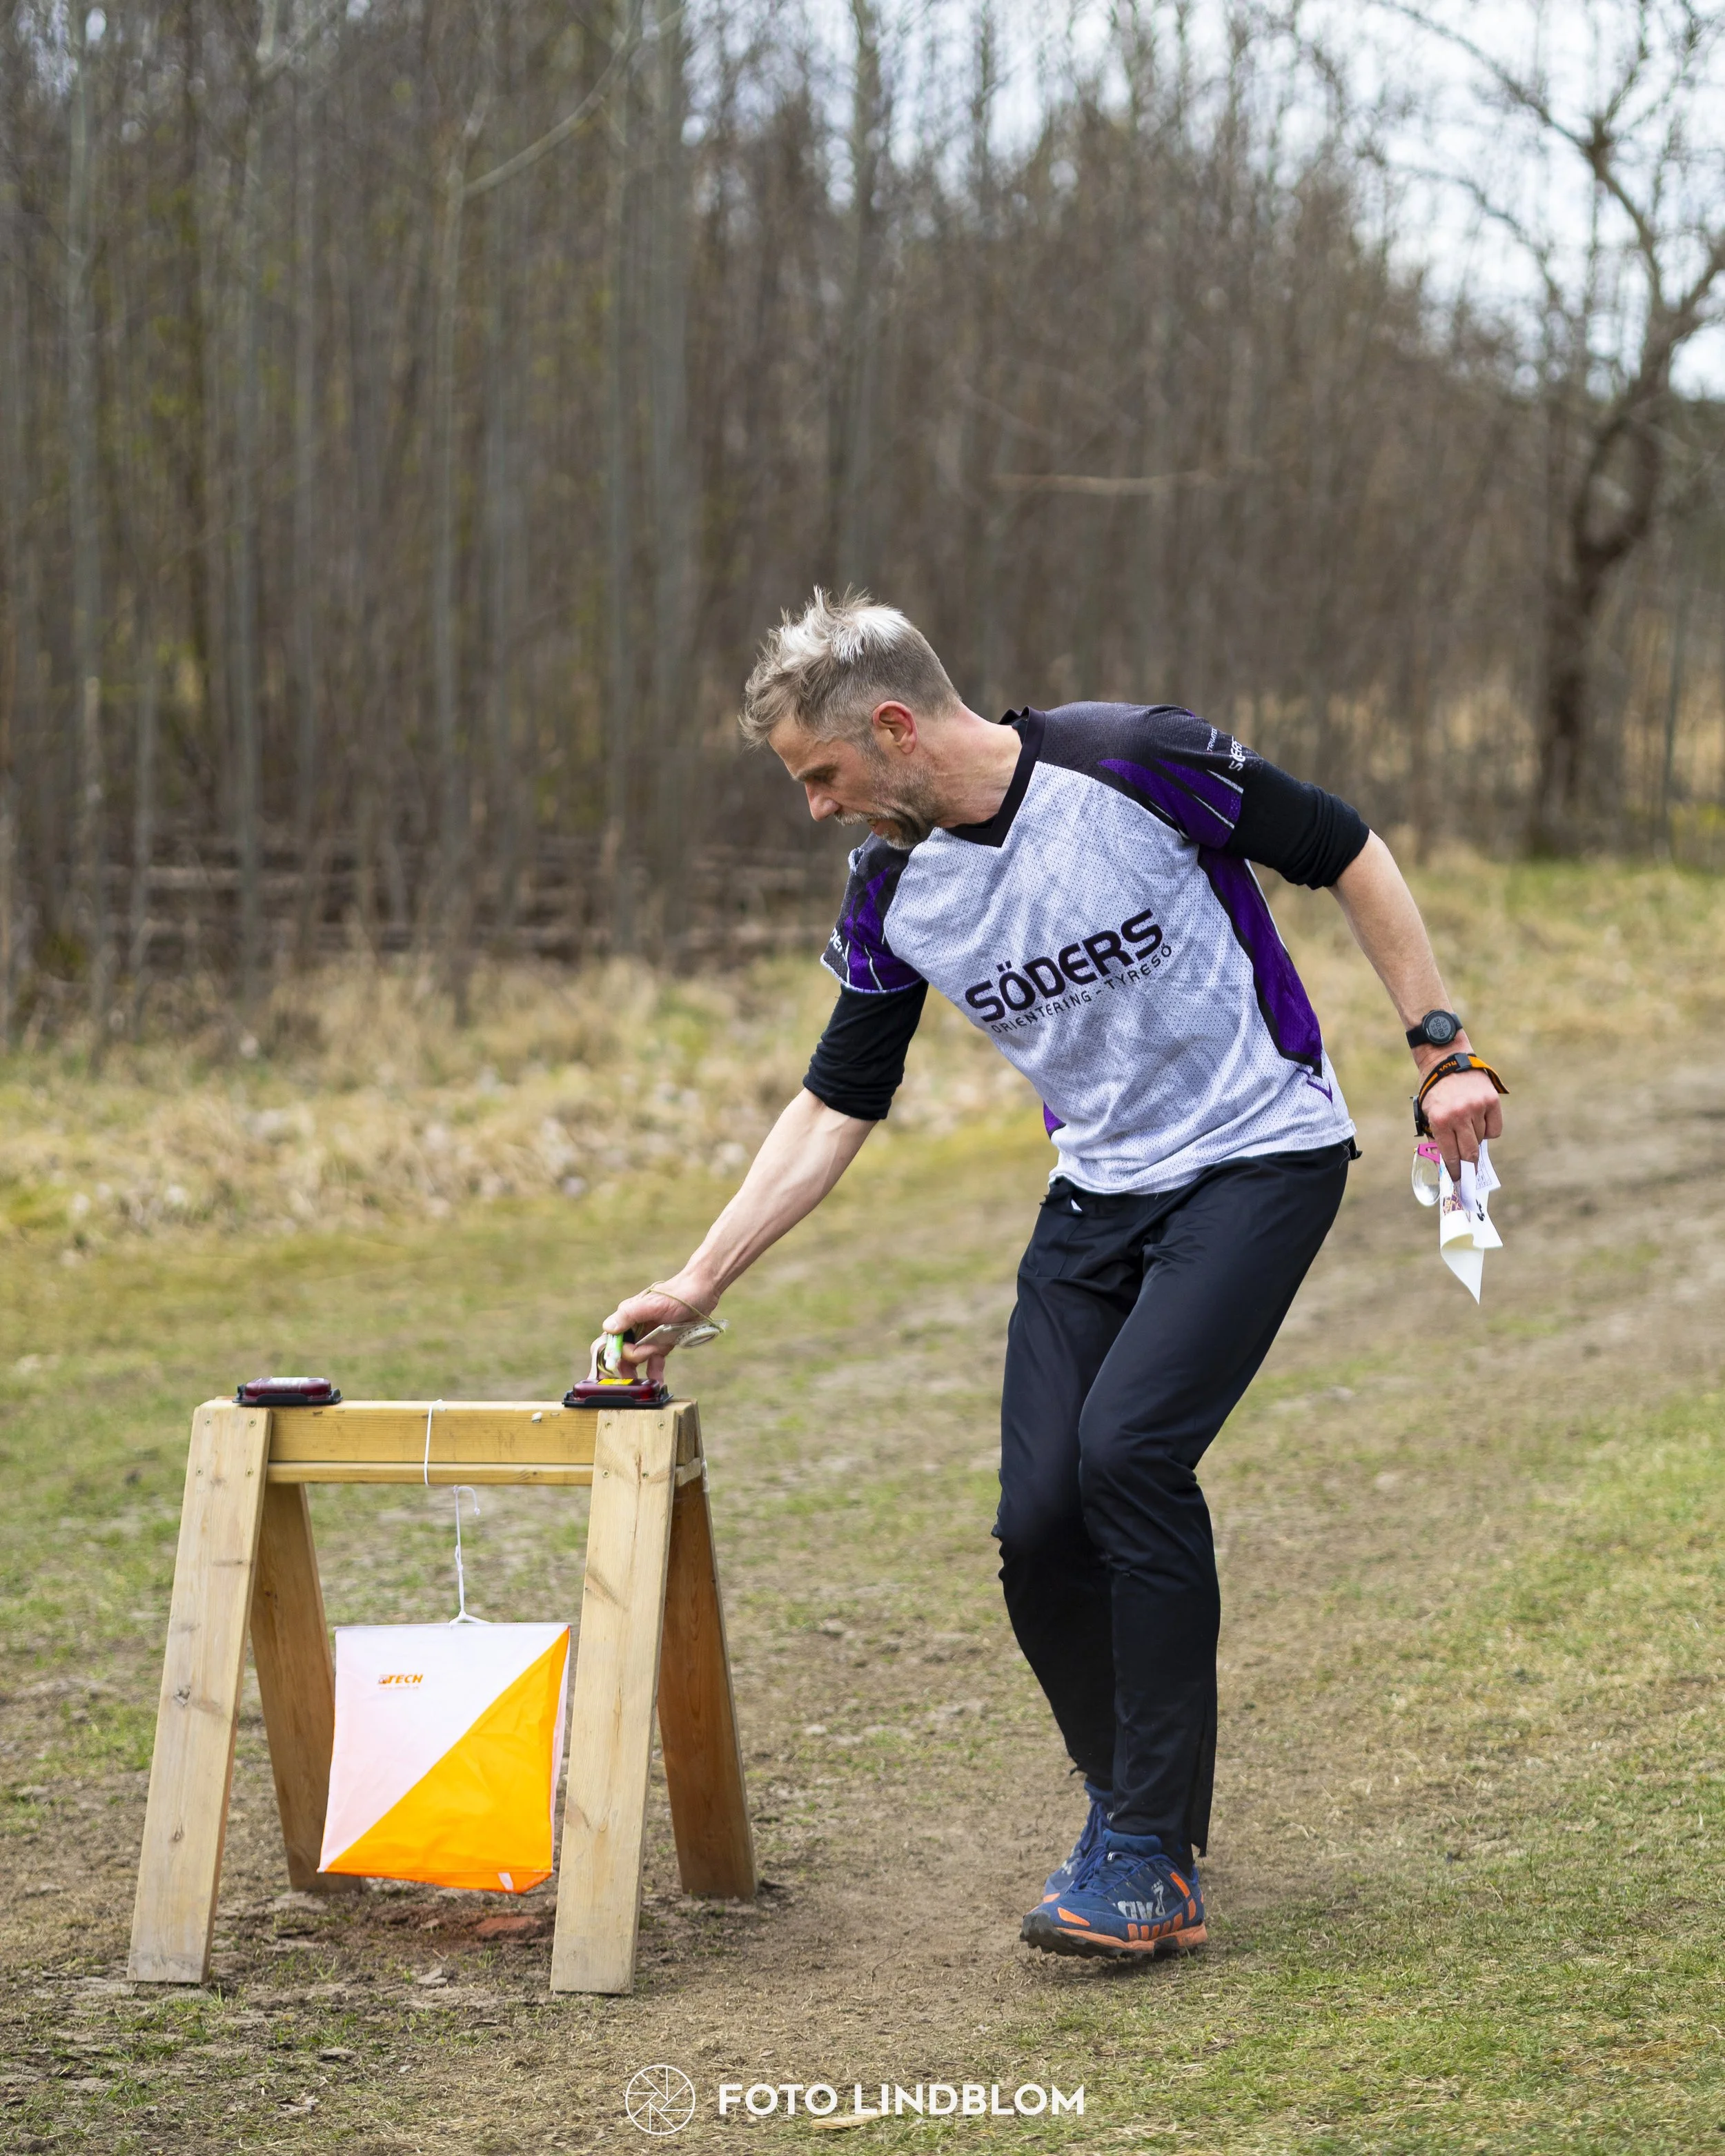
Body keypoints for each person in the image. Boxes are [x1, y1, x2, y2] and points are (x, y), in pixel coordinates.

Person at [603, 590, 1505, 1961]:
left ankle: (1144, 1849)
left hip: (1258, 1153)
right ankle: (1127, 1814)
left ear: (894, 727)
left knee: (1126, 1450)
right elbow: (835, 1097)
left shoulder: (1131, 759)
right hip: (1095, 1191)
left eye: (822, 775)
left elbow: (1346, 851)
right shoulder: (896, 888)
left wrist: (1438, 1048)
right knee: (1035, 1520)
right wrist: (699, 1275)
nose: (816, 808)